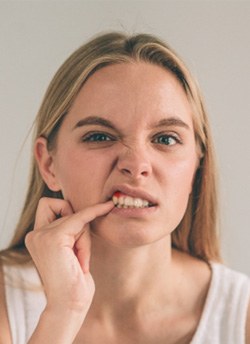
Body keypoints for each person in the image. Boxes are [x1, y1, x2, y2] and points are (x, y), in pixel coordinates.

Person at [0, 31, 249, 344]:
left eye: (166, 139)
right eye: (100, 136)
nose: (136, 163)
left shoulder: (242, 317)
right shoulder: (6, 304)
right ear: (49, 164)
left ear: (198, 166)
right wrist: (64, 312)